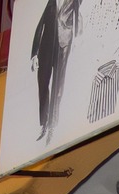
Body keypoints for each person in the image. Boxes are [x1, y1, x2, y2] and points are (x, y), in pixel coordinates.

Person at [31, 0, 82, 143]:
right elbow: (40, 24)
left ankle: (52, 126)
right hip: (46, 47)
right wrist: (34, 54)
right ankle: (44, 124)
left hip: (64, 44)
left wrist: (77, 39)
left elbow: (78, 15)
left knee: (57, 87)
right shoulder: (51, 2)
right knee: (43, 83)